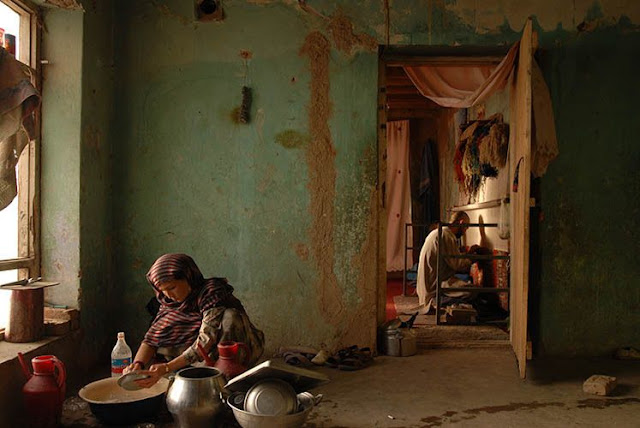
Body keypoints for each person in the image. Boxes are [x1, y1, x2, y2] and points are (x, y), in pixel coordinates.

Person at [124, 253, 265, 388]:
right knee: (168, 329)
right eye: (163, 290)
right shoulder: (169, 302)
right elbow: (153, 338)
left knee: (230, 317)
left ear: (188, 277)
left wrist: (167, 367)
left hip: (233, 350)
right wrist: (138, 364)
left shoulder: (211, 293)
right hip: (196, 357)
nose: (168, 295)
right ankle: (194, 371)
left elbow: (206, 339)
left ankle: (225, 377)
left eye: (172, 287)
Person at [416, 211, 474, 313]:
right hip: (435, 287)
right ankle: (436, 302)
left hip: (428, 287)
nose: (465, 232)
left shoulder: (438, 232)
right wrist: (473, 258)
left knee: (465, 285)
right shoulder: (447, 236)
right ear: (461, 223)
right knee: (473, 291)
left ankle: (436, 301)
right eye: (466, 228)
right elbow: (457, 265)